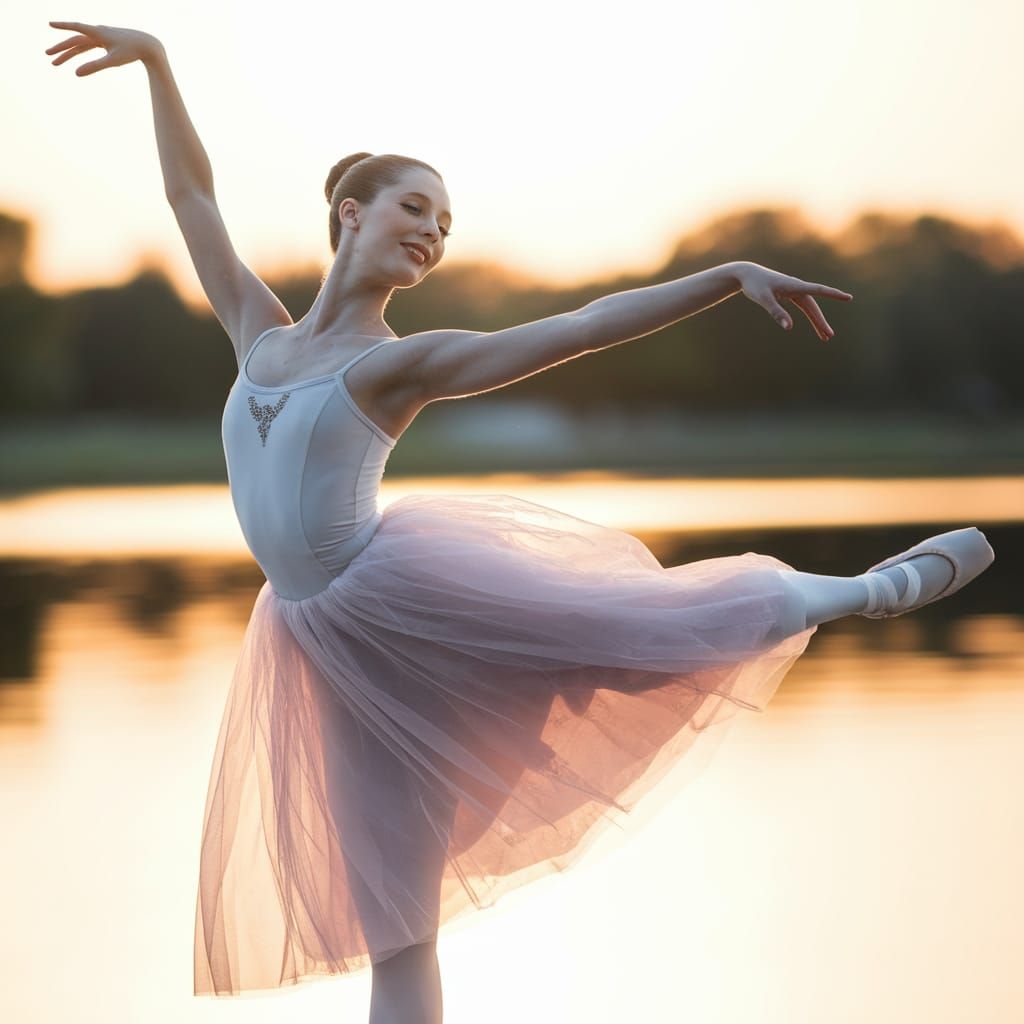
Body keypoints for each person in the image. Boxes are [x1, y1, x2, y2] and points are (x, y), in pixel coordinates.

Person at [46, 20, 995, 1019]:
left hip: (401, 598)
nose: (433, 231)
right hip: (314, 639)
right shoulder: (257, 333)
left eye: (446, 224)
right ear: (349, 213)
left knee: (646, 637)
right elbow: (192, 197)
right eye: (416, 207)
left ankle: (869, 588)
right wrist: (156, 63)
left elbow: (579, 328)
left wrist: (724, 277)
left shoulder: (399, 364)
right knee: (397, 933)